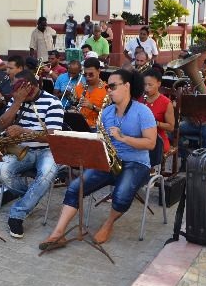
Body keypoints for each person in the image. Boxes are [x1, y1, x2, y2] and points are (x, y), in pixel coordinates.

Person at [39, 69, 157, 248]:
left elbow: (151, 143)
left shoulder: (143, 112)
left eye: (112, 86)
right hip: (110, 161)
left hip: (137, 163)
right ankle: (58, 233)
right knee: (74, 188)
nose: (108, 90)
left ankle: (108, 224)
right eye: (107, 86)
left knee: (121, 196)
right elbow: (101, 139)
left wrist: (123, 138)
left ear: (127, 86)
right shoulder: (107, 112)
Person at [0, 70, 64, 238]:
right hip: (21, 149)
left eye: (23, 89)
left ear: (33, 86)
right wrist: (17, 102)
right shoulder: (16, 99)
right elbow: (0, 127)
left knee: (47, 172)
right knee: (1, 170)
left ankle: (17, 214)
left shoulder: (52, 102)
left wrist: (23, 131)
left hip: (47, 149)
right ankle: (30, 198)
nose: (19, 92)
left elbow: (53, 137)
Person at [143, 69, 175, 153]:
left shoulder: (166, 102)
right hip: (141, 136)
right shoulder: (141, 99)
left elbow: (171, 127)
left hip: (158, 139)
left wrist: (155, 123)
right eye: (145, 84)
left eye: (150, 85)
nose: (146, 88)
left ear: (158, 84)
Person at [73, 57, 107, 130]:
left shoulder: (107, 90)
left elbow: (110, 114)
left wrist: (93, 107)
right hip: (79, 126)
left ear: (98, 71)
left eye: (91, 74)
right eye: (85, 74)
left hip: (97, 128)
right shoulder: (78, 88)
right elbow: (75, 106)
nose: (87, 78)